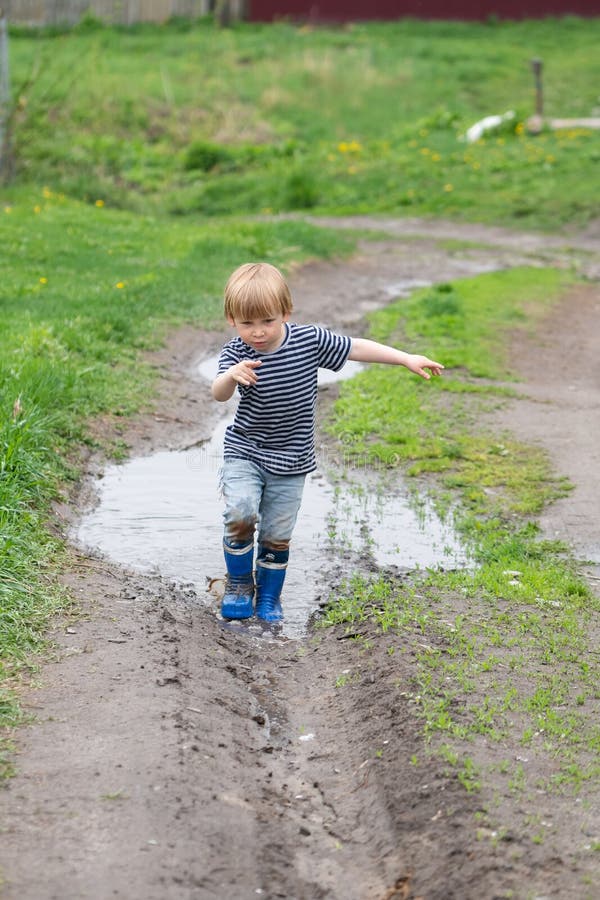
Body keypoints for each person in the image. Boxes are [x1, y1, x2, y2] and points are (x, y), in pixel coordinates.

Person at [211, 262, 444, 624]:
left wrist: (405, 358)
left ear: (286, 312)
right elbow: (218, 395)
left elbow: (356, 348)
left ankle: (270, 597)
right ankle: (240, 585)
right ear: (232, 320)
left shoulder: (308, 341)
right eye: (247, 324)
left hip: (292, 460)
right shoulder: (236, 354)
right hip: (246, 451)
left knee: (277, 534)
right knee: (240, 512)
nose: (257, 332)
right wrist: (230, 376)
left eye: (267, 321)